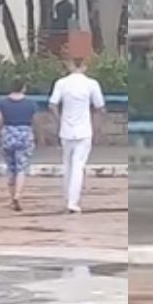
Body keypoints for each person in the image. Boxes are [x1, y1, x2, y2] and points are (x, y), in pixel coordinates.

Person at [48, 57, 105, 214]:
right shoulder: (91, 84)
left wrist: (59, 122)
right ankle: (73, 202)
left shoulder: (61, 83)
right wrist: (97, 128)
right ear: (85, 66)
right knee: (78, 166)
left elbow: (52, 105)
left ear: (70, 65)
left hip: (66, 131)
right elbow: (100, 108)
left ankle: (67, 198)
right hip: (84, 130)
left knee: (67, 165)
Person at [0, 79, 39, 211]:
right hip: (25, 134)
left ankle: (12, 198)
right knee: (21, 168)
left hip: (8, 134)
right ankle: (18, 195)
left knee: (11, 168)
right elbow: (35, 121)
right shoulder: (31, 103)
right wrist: (40, 137)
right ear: (24, 88)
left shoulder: (2, 103)